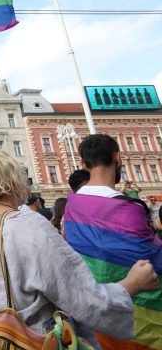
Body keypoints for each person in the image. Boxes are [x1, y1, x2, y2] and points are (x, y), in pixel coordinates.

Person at [0, 150, 158, 347]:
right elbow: (80, 298)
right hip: (36, 340)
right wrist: (131, 285)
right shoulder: (26, 225)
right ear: (13, 181)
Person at [65, 134, 162, 349]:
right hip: (137, 319)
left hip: (95, 316)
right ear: (117, 158)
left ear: (83, 163)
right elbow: (152, 256)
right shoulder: (130, 208)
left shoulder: (72, 207)